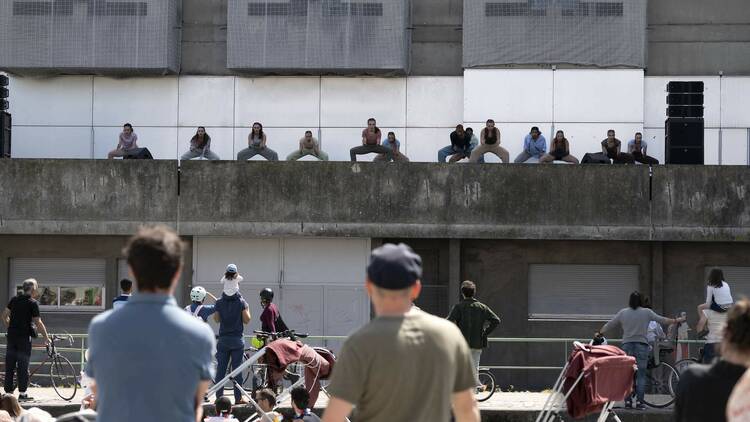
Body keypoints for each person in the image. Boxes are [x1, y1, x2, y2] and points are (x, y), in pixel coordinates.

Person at [322, 243, 479, 422]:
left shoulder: (359, 343)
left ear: (369, 287)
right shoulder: (449, 335)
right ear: (416, 288)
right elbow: (467, 409)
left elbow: (334, 416)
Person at [85, 226, 216, 422]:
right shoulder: (200, 333)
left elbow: (97, 389)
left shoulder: (100, 328)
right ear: (178, 272)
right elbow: (196, 404)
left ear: (131, 270)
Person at [597, 291, 684, 410]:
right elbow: (662, 320)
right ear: (641, 301)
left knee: (627, 375)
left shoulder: (623, 312)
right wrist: (676, 320)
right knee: (641, 375)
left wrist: (600, 332)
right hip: (642, 346)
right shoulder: (646, 312)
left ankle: (627, 402)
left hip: (627, 346)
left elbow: (611, 324)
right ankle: (640, 403)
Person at [675, 299, 750, 422]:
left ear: (725, 332)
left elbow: (700, 327)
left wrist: (703, 330)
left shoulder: (691, 378)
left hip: (711, 344)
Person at [2, 278, 50, 401]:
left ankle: (8, 394)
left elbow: (4, 316)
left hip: (12, 337)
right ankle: (22, 394)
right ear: (33, 289)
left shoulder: (14, 300)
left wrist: (11, 327)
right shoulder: (32, 303)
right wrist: (46, 337)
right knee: (23, 365)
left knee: (10, 364)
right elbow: (38, 322)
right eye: (37, 287)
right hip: (24, 338)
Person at [447, 280, 501, 377]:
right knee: (474, 367)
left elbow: (448, 321)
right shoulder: (482, 307)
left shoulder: (459, 307)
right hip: (478, 343)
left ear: (463, 293)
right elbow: (496, 320)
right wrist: (485, 333)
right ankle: (473, 389)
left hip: (463, 343)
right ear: (474, 292)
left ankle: (462, 389)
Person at [213, 275, 252, 404]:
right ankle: (238, 398)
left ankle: (219, 398)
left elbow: (216, 319)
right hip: (237, 340)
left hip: (223, 340)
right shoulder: (241, 302)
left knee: (221, 371)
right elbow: (247, 320)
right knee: (237, 371)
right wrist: (246, 308)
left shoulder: (218, 302)